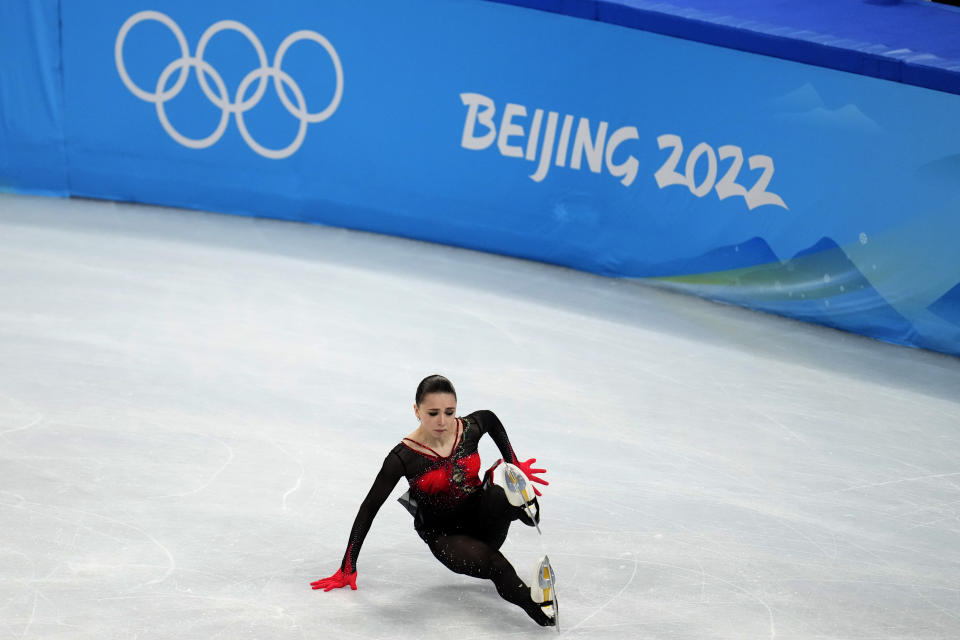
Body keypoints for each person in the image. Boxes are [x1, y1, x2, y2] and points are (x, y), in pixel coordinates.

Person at [310, 374, 555, 627]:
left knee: (497, 494)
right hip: (447, 537)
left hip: (482, 519)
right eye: (433, 413)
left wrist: (514, 461)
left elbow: (490, 419)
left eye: (449, 412)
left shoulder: (468, 429)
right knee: (496, 565)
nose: (442, 421)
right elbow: (369, 507)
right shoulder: (403, 457)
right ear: (416, 411)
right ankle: (537, 606)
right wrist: (348, 564)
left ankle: (524, 504)